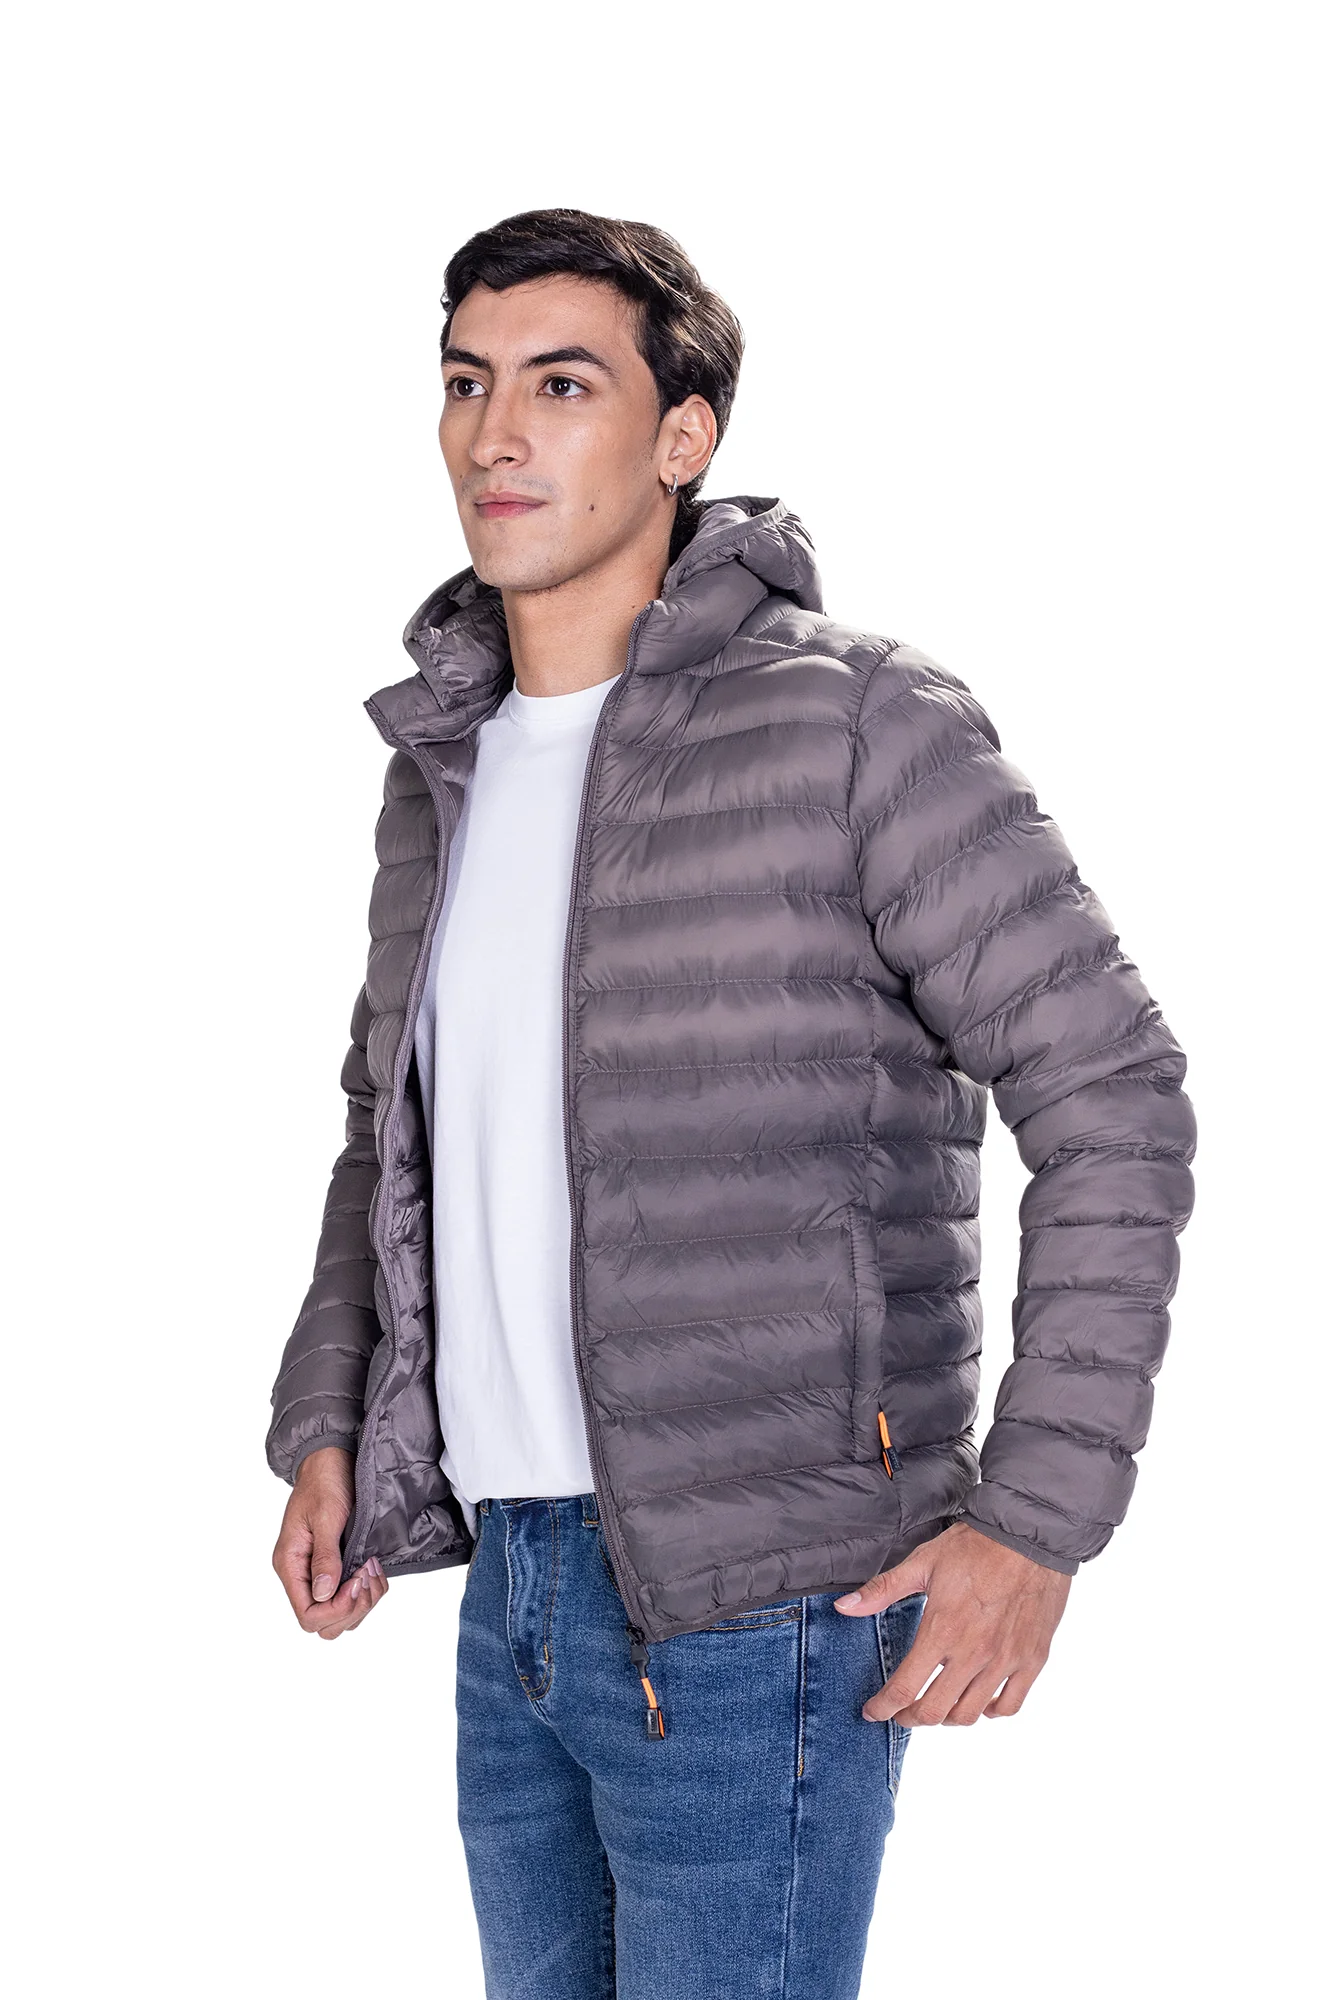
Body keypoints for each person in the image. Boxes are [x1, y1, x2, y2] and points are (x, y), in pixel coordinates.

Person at [267, 207, 1196, 1999]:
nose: (495, 435)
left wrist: (1034, 1523)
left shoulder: (857, 723)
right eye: (464, 383)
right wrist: (332, 1413)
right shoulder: (439, 770)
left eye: (562, 386)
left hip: (765, 1604)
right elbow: (392, 1137)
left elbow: (1114, 1093)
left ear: (683, 436)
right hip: (515, 1587)